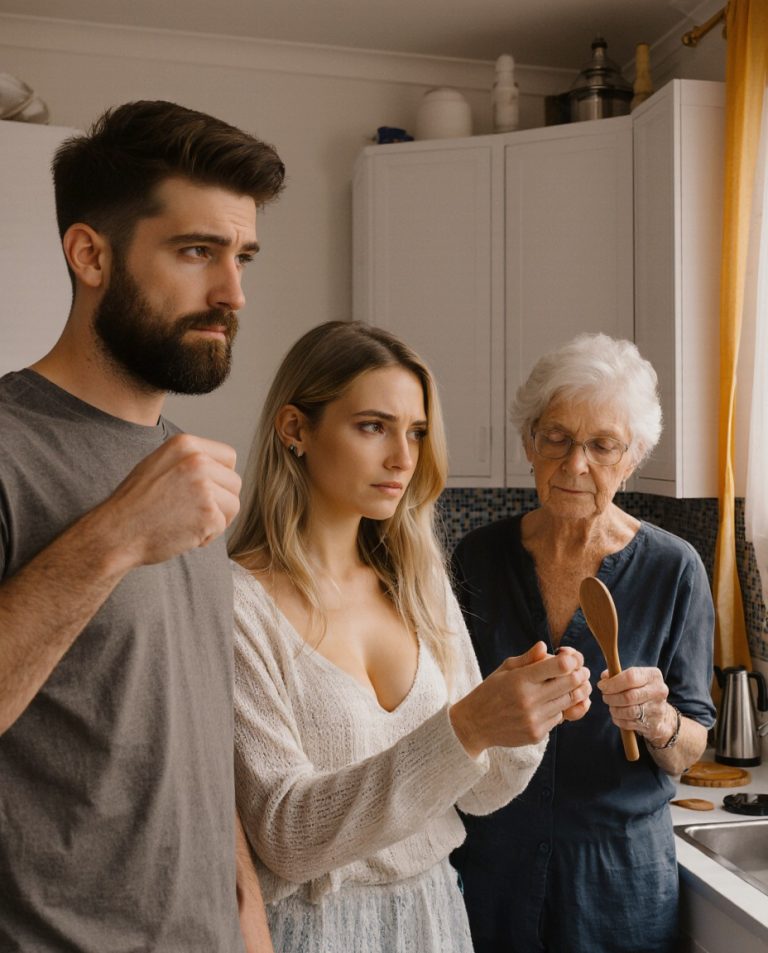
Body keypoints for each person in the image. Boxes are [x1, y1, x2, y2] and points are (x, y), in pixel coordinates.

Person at [0, 100, 285, 951]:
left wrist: (247, 917)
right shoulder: (11, 447)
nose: (232, 293)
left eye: (242, 257)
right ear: (90, 254)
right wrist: (118, 534)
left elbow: (187, 730)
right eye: (197, 252)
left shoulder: (187, 466)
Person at [228, 320, 593, 953]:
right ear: (294, 429)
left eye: (417, 432)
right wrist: (469, 727)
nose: (403, 457)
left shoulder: (417, 582)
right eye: (373, 426)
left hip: (434, 916)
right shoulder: (236, 602)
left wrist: (524, 718)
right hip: (313, 932)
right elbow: (286, 836)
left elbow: (480, 795)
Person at [450, 333, 717, 953]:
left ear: (633, 458)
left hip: (617, 887)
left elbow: (690, 748)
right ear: (529, 443)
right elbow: (445, 712)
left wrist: (657, 720)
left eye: (602, 445)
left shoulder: (674, 569)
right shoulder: (478, 558)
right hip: (493, 875)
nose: (575, 464)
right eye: (557, 438)